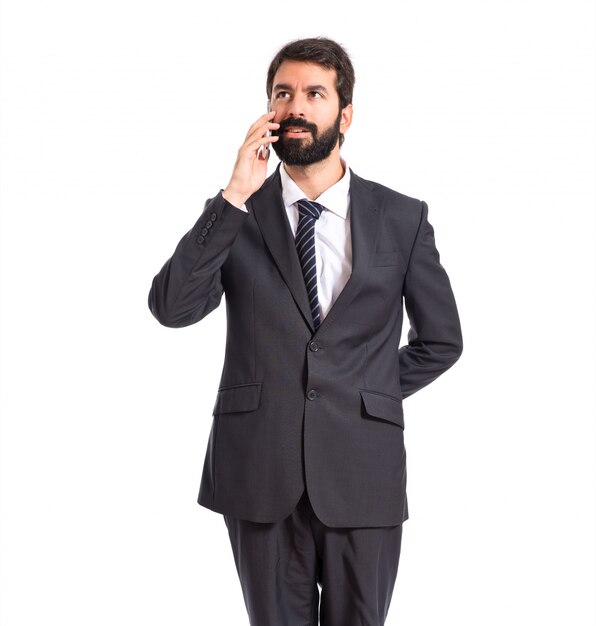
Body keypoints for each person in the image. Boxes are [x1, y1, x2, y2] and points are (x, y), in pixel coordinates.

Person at [148, 37, 463, 626]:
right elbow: (172, 307)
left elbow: (442, 341)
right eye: (282, 93)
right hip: (258, 470)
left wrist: (365, 388)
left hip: (363, 471)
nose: (295, 105)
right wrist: (235, 193)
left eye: (314, 93)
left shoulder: (402, 217)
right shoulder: (235, 217)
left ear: (343, 114)